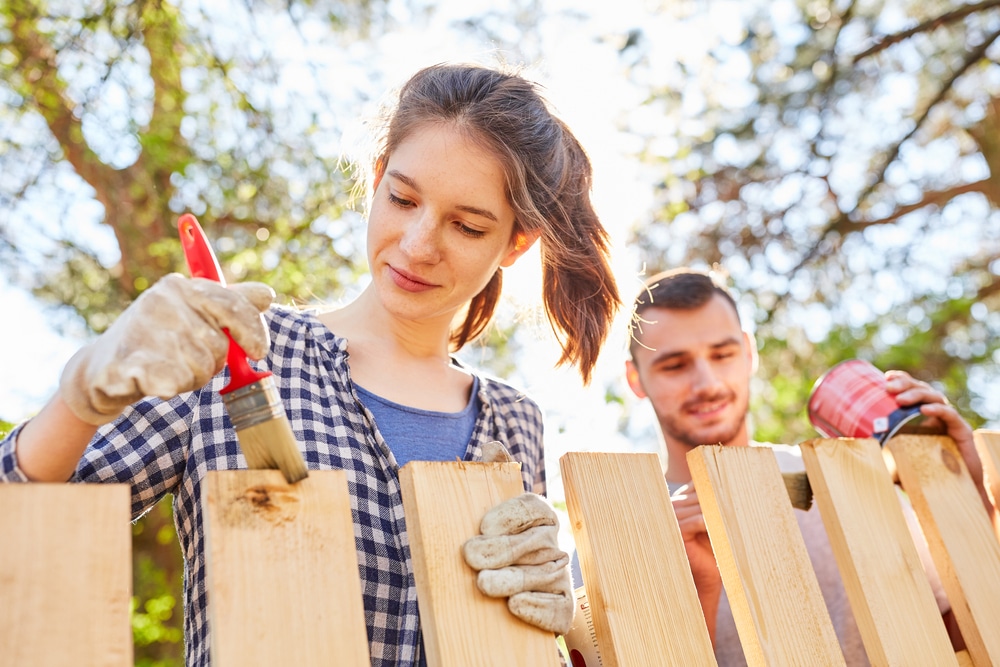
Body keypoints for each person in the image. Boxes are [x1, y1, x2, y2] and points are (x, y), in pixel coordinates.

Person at [1, 63, 621, 667]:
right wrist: (81, 397)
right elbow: (16, 524)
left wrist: (568, 623)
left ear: (516, 241)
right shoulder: (234, 349)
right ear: (377, 178)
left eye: (465, 225)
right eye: (403, 199)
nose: (417, 244)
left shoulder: (514, 423)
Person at [624, 267, 993, 666]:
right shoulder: (618, 540)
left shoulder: (845, 481)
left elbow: (963, 638)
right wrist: (696, 589)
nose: (707, 383)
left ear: (749, 353)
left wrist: (968, 500)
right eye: (675, 365)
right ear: (635, 379)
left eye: (723, 354)